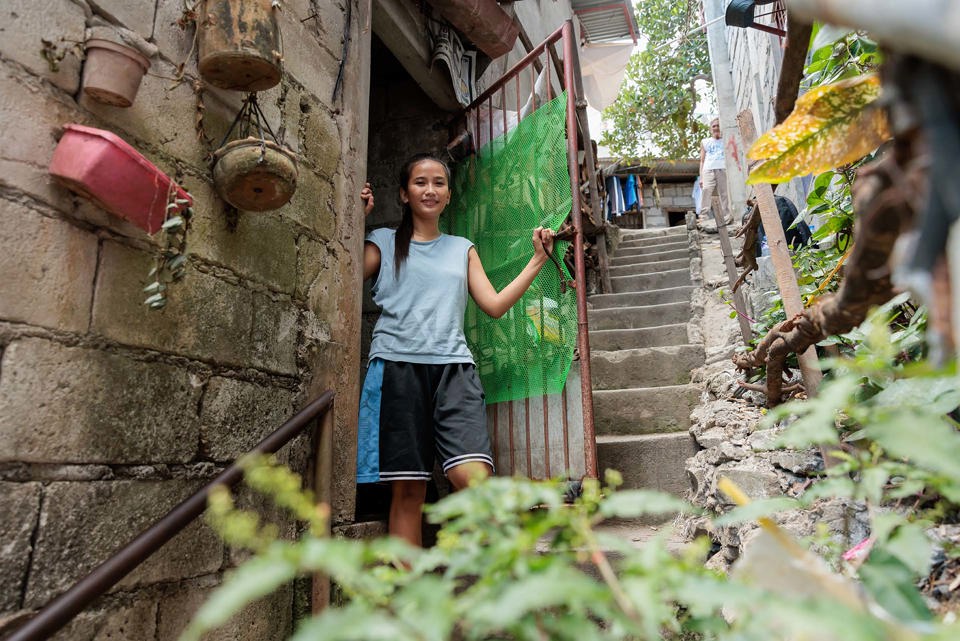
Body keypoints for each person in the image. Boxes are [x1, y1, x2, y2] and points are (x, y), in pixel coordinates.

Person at [356, 153, 556, 547]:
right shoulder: (380, 241)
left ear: (448, 196)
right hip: (396, 370)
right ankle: (410, 594)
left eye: (439, 183)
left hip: (454, 372)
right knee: (409, 491)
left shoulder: (462, 248)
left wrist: (537, 261)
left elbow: (494, 305)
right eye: (420, 182)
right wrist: (354, 220)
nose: (430, 190)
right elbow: (344, 274)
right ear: (403, 193)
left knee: (473, 478)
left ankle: (490, 582)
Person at [699, 117, 731, 225]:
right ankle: (703, 216)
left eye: (718, 125)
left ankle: (726, 215)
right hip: (708, 169)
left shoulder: (726, 140)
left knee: (724, 193)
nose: (716, 128)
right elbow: (702, 161)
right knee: (706, 190)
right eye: (714, 126)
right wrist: (701, 177)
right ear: (710, 129)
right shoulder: (705, 142)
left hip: (722, 168)